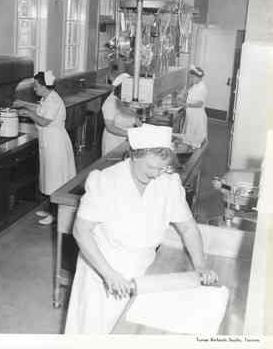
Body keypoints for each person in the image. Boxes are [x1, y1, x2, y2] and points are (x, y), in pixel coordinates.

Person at [64, 124, 218, 334]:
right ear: (134, 156)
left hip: (144, 271)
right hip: (101, 269)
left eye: (162, 168)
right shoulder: (105, 181)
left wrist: (200, 265)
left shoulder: (169, 183)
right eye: (151, 168)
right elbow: (81, 231)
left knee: (131, 332)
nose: (156, 174)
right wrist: (109, 274)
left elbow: (188, 228)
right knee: (94, 332)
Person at [16, 70, 76, 225]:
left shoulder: (54, 101)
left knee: (56, 179)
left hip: (56, 143)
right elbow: (40, 110)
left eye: (36, 86)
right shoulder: (47, 98)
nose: (34, 89)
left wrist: (28, 112)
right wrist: (24, 104)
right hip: (49, 142)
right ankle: (51, 209)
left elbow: (43, 121)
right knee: (50, 177)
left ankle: (56, 215)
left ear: (44, 86)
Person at [101, 64, 141, 155]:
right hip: (113, 143)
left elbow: (135, 119)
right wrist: (129, 134)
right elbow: (110, 127)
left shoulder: (127, 100)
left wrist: (142, 128)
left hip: (128, 141)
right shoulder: (110, 102)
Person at [176, 65, 208, 148]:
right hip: (191, 114)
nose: (191, 79)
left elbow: (200, 104)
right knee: (190, 136)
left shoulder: (202, 88)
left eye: (193, 77)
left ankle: (194, 156)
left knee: (195, 139)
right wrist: (182, 99)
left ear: (199, 77)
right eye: (190, 77)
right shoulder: (195, 85)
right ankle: (190, 150)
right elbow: (190, 97)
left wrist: (186, 105)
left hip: (197, 116)